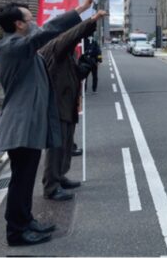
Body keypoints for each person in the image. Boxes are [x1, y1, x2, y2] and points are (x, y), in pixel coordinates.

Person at [0, 0, 93, 246]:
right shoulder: (13, 47)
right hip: (21, 126)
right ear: (18, 24)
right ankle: (16, 232)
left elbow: (42, 33)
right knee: (21, 181)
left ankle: (26, 221)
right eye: (30, 19)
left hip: (29, 125)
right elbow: (47, 31)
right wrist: (79, 11)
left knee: (25, 180)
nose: (35, 23)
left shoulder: (22, 46)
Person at [40, 10, 107, 201]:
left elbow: (74, 76)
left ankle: (60, 176)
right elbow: (71, 35)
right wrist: (91, 20)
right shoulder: (55, 46)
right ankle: (51, 187)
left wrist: (84, 68)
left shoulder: (67, 54)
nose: (77, 41)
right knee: (56, 148)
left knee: (67, 144)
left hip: (67, 104)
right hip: (56, 105)